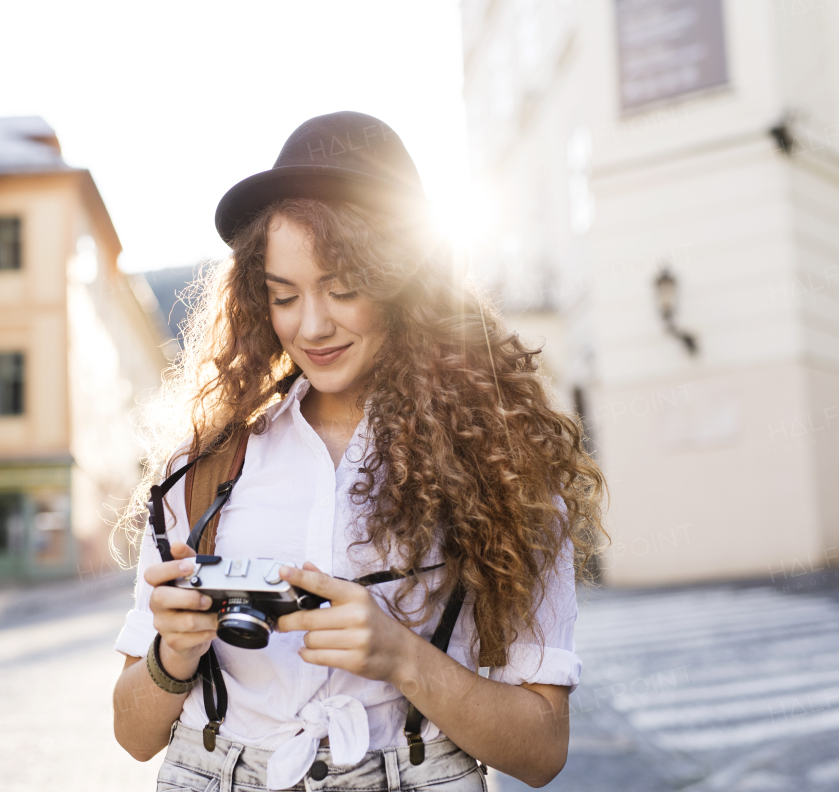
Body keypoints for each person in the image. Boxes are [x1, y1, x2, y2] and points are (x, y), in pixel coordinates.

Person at [112, 111, 606, 791]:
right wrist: (173, 651)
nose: (312, 325)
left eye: (343, 289)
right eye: (284, 296)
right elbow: (133, 733)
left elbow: (543, 748)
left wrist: (403, 657)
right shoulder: (203, 474)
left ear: (403, 281)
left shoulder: (502, 470)